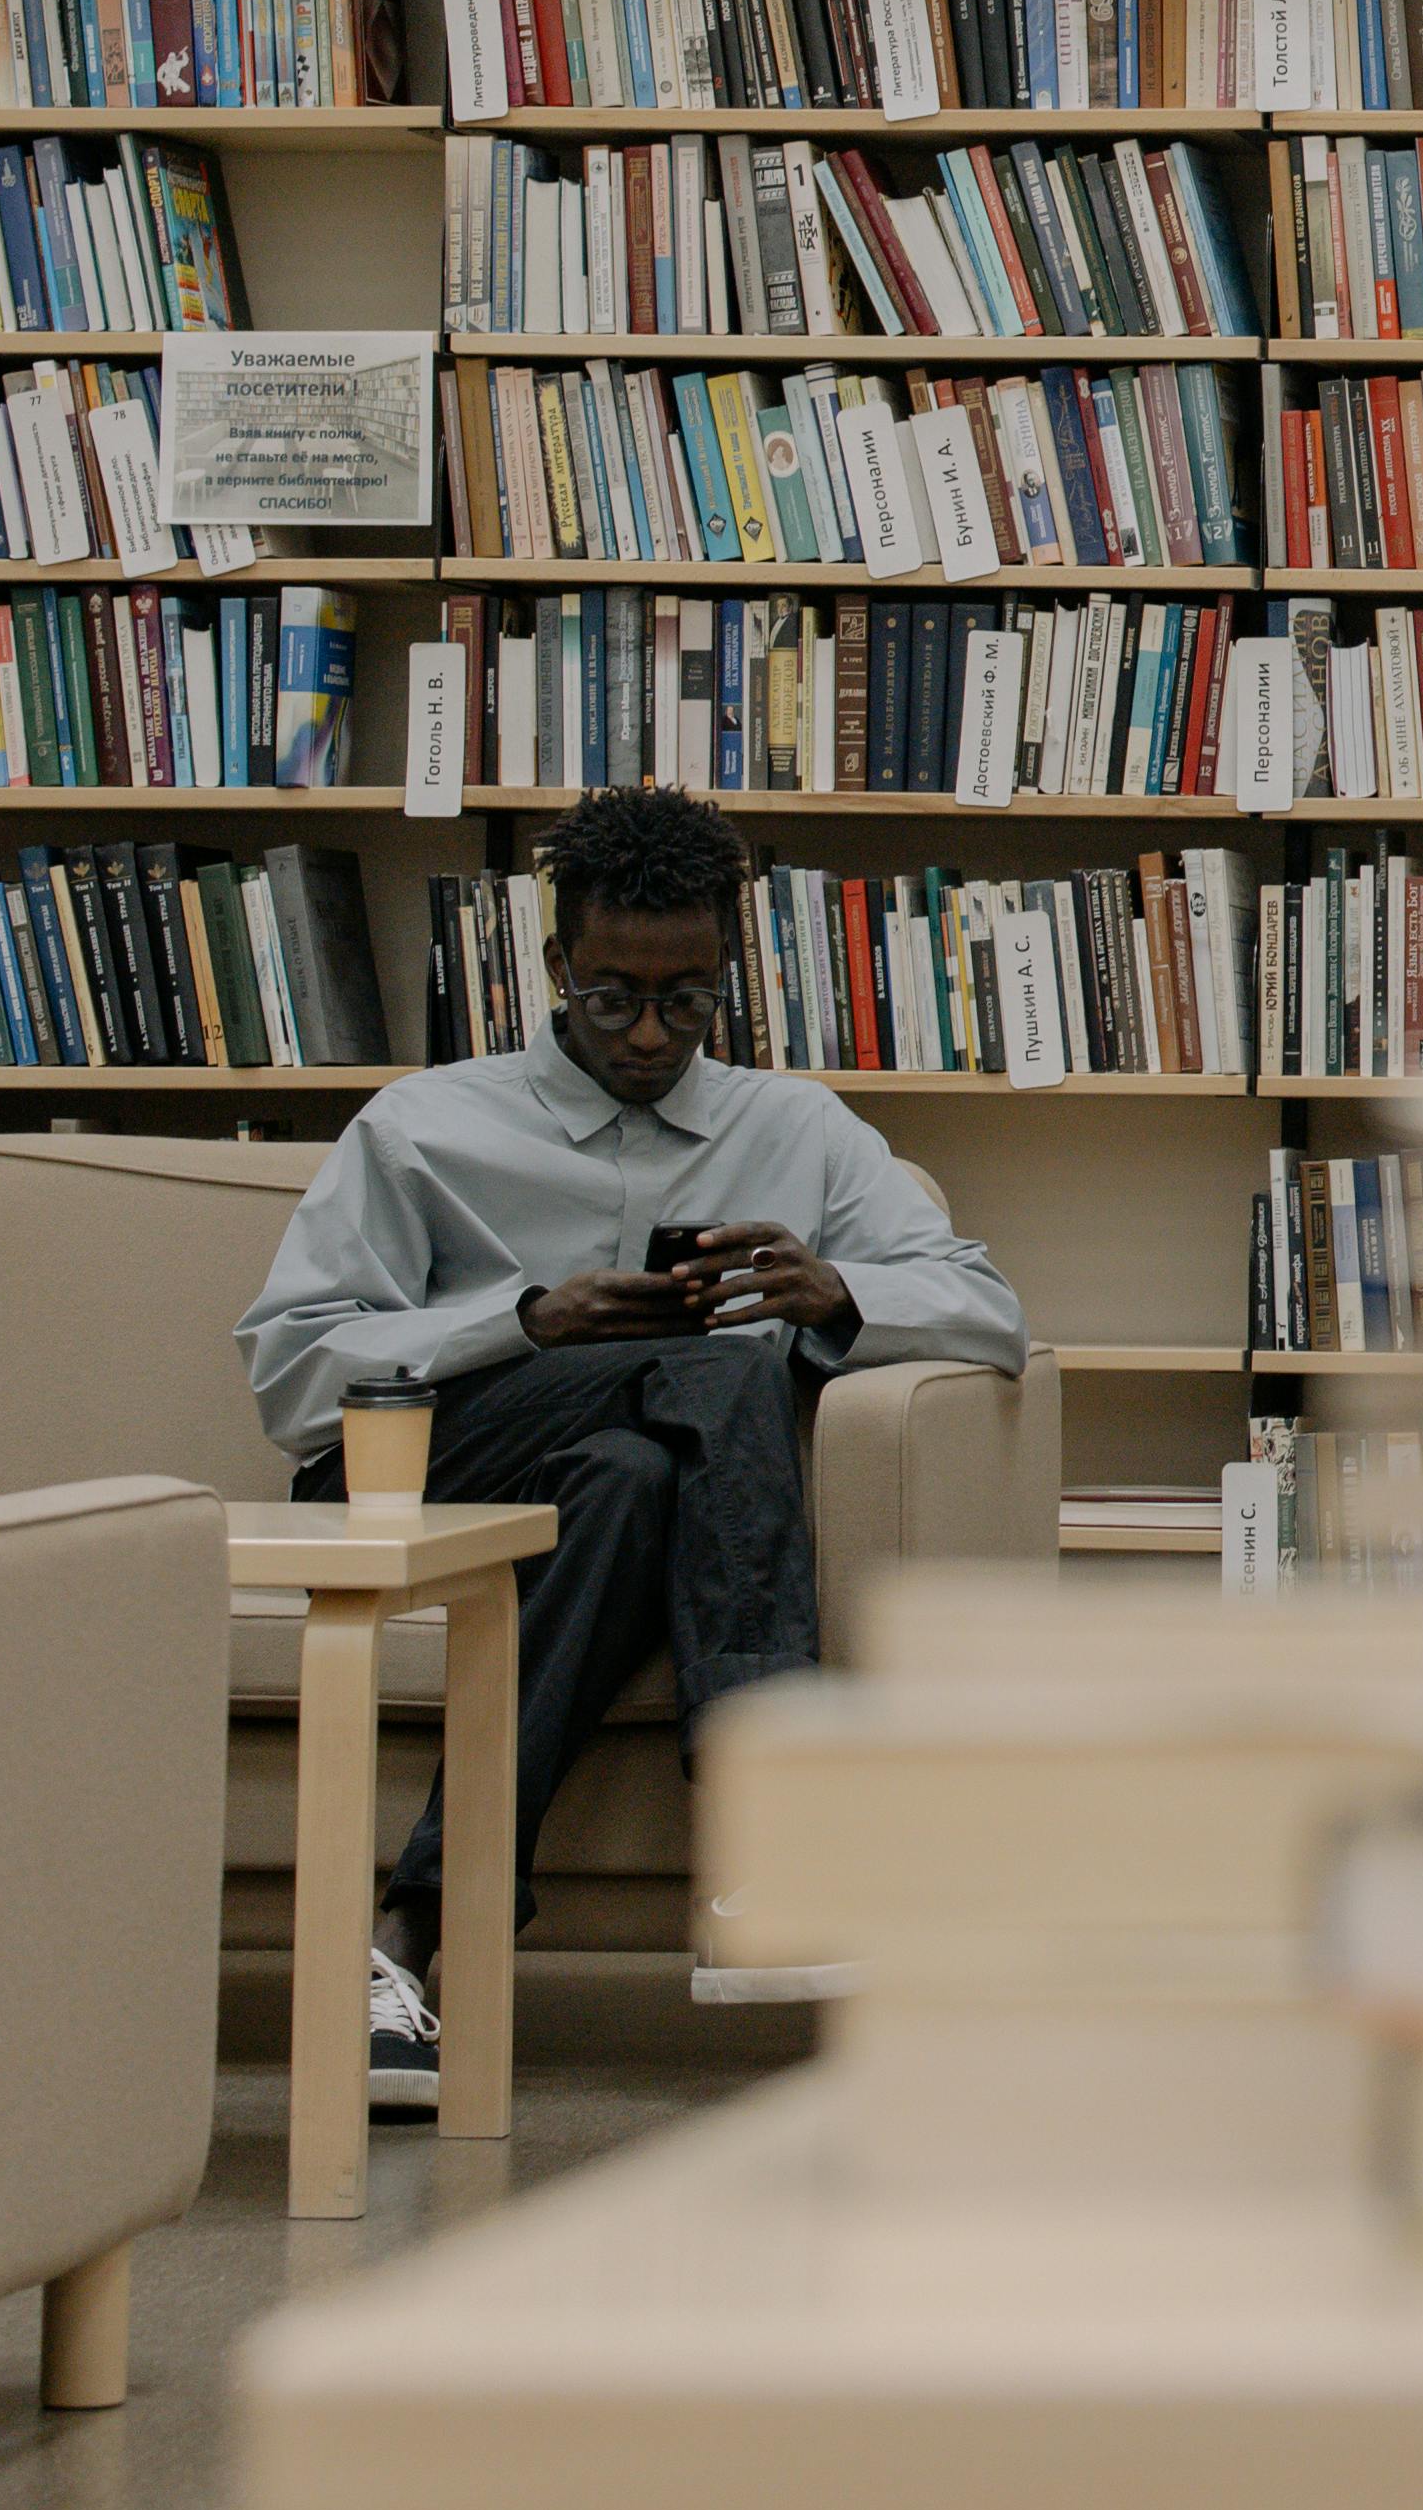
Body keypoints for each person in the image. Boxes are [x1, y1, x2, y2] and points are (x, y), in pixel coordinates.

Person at [238, 781, 1027, 2106]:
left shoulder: (799, 1130)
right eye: (613, 998)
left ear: (728, 975)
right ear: (557, 966)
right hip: (425, 1475)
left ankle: (413, 1938)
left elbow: (990, 1313)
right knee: (713, 1363)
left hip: (610, 1502)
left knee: (634, 1472)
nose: (652, 1033)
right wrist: (525, 1323)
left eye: (687, 999)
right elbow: (293, 1374)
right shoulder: (424, 1125)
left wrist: (837, 1290)